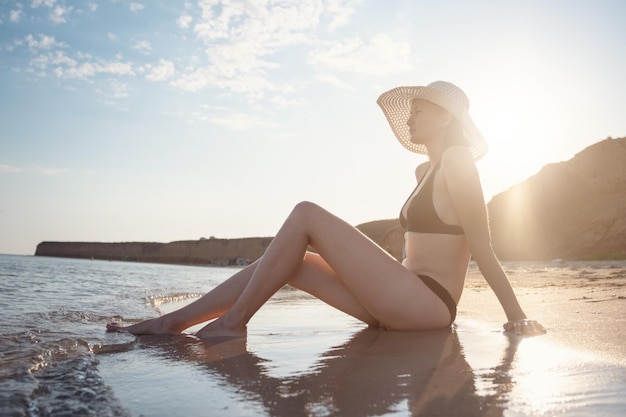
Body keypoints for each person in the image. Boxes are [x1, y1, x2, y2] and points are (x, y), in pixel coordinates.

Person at [107, 81, 545, 338]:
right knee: (290, 262)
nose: (410, 120)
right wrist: (374, 279)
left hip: (429, 306)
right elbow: (415, 252)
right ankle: (173, 323)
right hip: (401, 294)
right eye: (410, 112)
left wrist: (517, 317)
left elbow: (482, 246)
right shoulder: (423, 172)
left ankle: (235, 322)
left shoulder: (458, 162)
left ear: (446, 118)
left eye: (419, 111)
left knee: (306, 214)